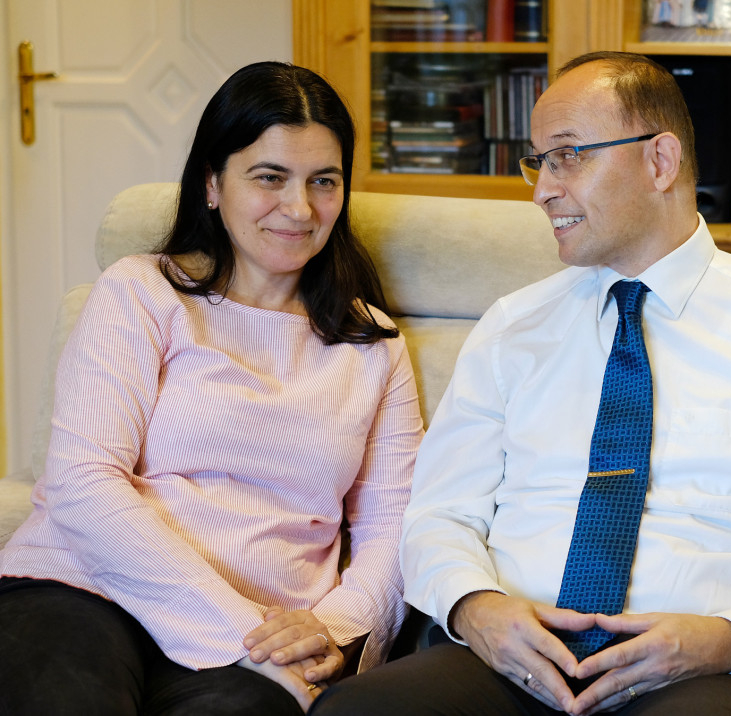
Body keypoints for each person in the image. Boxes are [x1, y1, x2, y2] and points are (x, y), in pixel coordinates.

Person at [310, 51, 731, 715]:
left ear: (660, 160)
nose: (541, 190)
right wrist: (476, 608)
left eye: (568, 156)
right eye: (538, 162)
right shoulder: (512, 328)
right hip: (513, 661)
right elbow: (439, 515)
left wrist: (726, 638)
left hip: (704, 675)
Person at [0, 61, 423, 715]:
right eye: (269, 177)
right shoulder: (142, 292)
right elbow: (83, 481)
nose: (300, 208)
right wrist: (239, 630)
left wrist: (331, 629)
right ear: (211, 184)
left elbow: (393, 521)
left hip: (266, 632)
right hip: (86, 587)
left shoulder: (373, 343)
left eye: (324, 181)